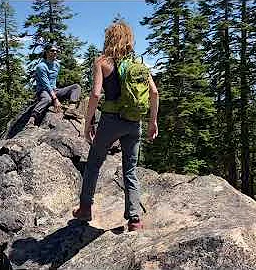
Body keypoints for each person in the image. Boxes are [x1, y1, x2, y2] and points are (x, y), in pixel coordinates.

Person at [72, 21, 159, 231]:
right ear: (129, 39)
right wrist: (152, 121)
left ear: (109, 38)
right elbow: (154, 93)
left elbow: (95, 94)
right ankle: (134, 219)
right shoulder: (138, 65)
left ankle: (85, 209)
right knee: (130, 170)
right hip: (133, 122)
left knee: (94, 163)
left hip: (110, 121)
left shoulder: (102, 61)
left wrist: (88, 122)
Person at [28, 44, 82, 126]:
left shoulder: (57, 65)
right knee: (47, 99)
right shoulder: (41, 66)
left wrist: (57, 93)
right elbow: (46, 84)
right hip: (43, 90)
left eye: (56, 51)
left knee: (76, 87)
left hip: (54, 90)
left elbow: (53, 81)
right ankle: (32, 119)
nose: (55, 52)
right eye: (52, 51)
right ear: (46, 52)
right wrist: (55, 99)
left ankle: (71, 109)